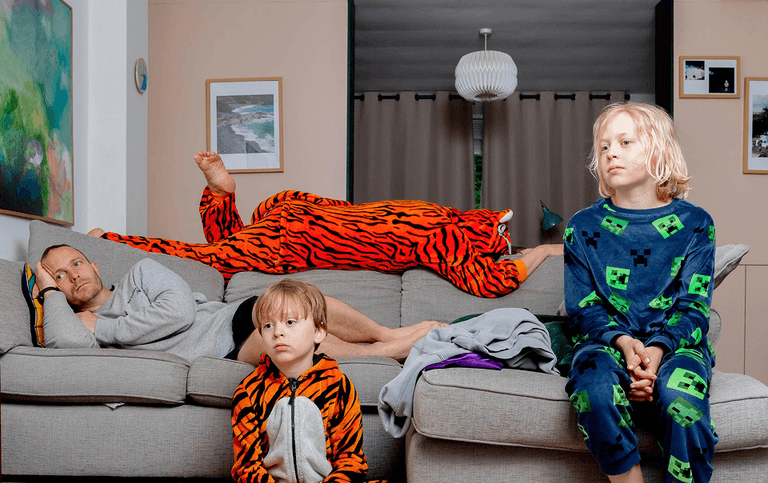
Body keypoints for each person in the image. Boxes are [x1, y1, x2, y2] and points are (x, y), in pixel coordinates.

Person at [563, 103, 733, 483]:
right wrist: (624, 345)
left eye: (624, 142)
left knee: (682, 400)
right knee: (595, 391)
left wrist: (656, 352)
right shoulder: (583, 227)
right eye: (603, 146)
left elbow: (694, 306)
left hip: (675, 345)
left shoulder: (696, 223)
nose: (610, 154)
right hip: (606, 346)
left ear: (656, 150)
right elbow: (582, 310)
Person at [87, 151, 563, 298]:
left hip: (296, 209)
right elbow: (492, 281)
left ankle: (222, 194)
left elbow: (491, 268)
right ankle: (107, 241)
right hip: (304, 239)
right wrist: (543, 252)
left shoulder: (439, 214)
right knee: (212, 260)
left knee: (231, 249)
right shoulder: (448, 238)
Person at [185, 279, 408, 483]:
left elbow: (351, 461)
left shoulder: (338, 385)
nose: (278, 332)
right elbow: (246, 468)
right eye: (268, 326)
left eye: (290, 322)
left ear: (319, 332)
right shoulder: (249, 392)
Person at [33, 244, 442, 363]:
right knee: (284, 342)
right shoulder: (79, 326)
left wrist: (102, 327)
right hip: (224, 351)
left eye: (77, 263)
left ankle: (391, 338)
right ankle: (394, 349)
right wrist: (47, 290)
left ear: (95, 264)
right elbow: (62, 344)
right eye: (61, 276)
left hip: (229, 320)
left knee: (293, 301)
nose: (74, 275)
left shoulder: (140, 273)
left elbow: (179, 311)